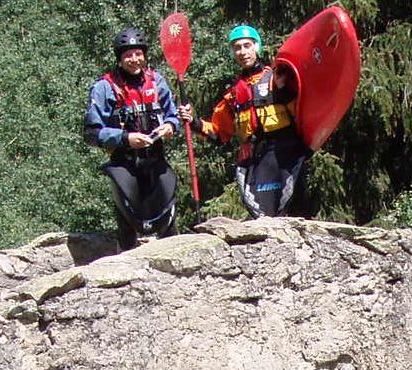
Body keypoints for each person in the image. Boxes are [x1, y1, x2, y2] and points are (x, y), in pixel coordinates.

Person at [179, 25, 310, 217]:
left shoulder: (277, 77)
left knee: (290, 210)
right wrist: (193, 121)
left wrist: (284, 91)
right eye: (237, 47)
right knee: (264, 216)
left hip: (285, 153)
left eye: (247, 46)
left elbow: (302, 111)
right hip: (255, 158)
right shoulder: (234, 94)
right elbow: (218, 132)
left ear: (256, 47)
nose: (242, 52)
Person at [85, 28, 182, 249]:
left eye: (138, 53)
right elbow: (91, 133)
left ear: (145, 55)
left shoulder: (156, 81)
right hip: (124, 164)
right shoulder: (104, 88)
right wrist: (126, 138)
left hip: (155, 161)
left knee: (167, 217)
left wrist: (170, 126)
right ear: (119, 58)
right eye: (128, 55)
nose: (134, 60)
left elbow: (173, 115)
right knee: (128, 222)